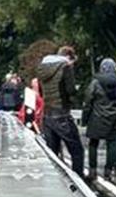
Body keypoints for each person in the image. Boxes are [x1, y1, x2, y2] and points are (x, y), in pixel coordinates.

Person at [34, 45, 85, 173]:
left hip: (47, 115)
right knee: (77, 150)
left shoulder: (43, 69)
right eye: (72, 61)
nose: (72, 64)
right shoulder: (65, 67)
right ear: (68, 57)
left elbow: (40, 91)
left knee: (52, 153)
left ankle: (53, 182)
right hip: (61, 113)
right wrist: (76, 92)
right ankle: (79, 182)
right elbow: (70, 90)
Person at [81, 58, 116, 180]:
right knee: (112, 144)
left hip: (97, 117)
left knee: (93, 144)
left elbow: (88, 101)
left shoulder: (95, 82)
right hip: (114, 118)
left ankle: (93, 170)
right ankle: (108, 171)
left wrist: (85, 119)